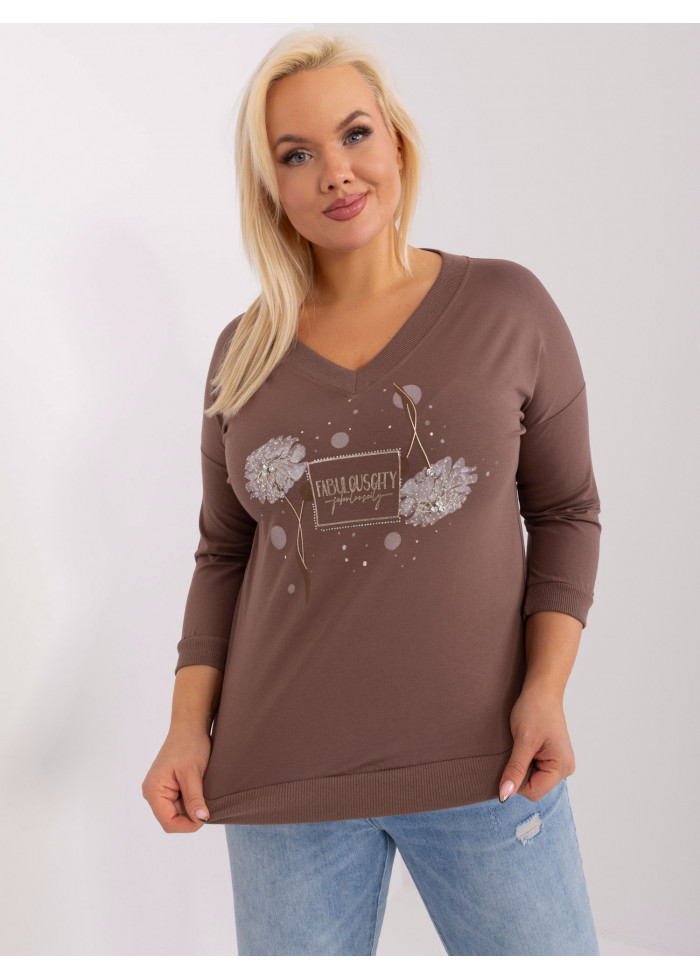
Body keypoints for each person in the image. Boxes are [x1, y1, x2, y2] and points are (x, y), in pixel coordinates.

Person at [142, 29, 602, 956]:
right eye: (296, 154)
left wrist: (546, 689)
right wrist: (187, 727)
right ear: (270, 185)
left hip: (490, 765)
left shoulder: (507, 306)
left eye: (355, 134)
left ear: (396, 140)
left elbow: (564, 512)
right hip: (284, 780)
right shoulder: (244, 352)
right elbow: (223, 553)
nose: (336, 173)